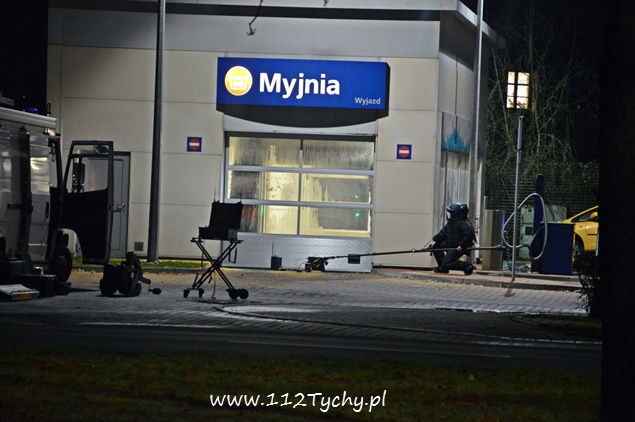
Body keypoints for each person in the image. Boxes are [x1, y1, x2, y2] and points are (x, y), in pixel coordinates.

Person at [428, 202, 477, 275]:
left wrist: (462, 245)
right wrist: (435, 240)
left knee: (448, 263)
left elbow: (469, 235)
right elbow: (443, 232)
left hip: (458, 246)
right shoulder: (452, 222)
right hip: (451, 243)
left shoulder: (464, 223)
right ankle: (442, 267)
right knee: (436, 246)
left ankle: (467, 266)